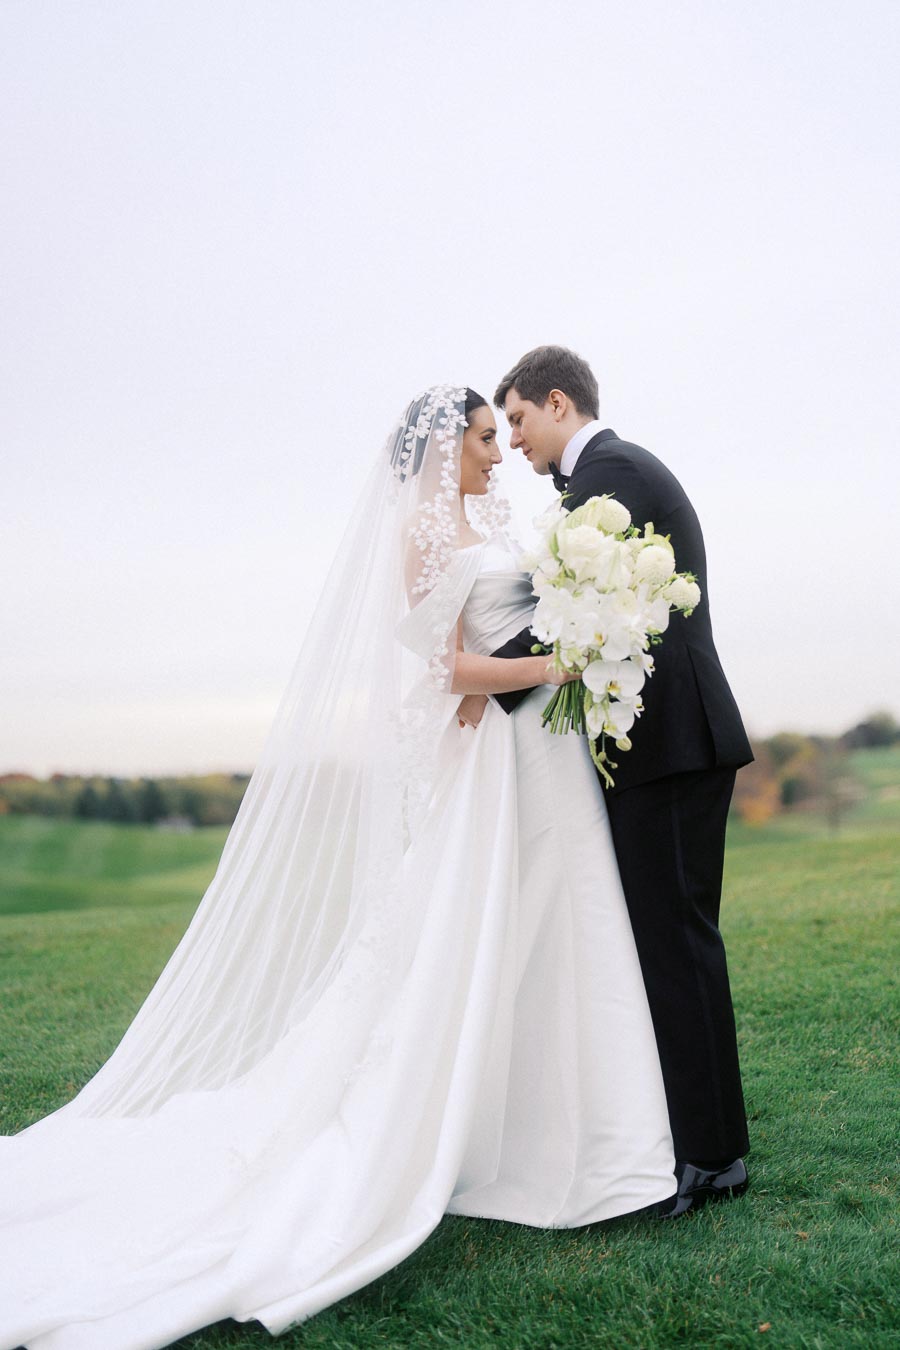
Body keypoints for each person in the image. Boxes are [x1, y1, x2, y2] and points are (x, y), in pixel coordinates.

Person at [0, 385, 676, 1350]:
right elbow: (445, 669)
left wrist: (580, 624)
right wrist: (550, 667)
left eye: (500, 436)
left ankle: (601, 1143)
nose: (498, 453)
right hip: (495, 756)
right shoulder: (420, 538)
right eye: (488, 438)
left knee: (562, 917)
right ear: (447, 445)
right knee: (481, 929)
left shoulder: (498, 514)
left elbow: (529, 605)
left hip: (543, 753)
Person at [487, 346, 754, 1217]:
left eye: (519, 420)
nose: (516, 442)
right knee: (671, 942)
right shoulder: (602, 478)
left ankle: (713, 1159)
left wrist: (481, 682)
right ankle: (702, 1143)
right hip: (656, 748)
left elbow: (584, 608)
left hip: (673, 744)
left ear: (557, 402)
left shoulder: (613, 475)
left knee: (678, 943)